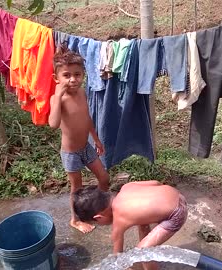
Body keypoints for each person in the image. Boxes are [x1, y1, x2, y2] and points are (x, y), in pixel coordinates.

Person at [49, 45, 110, 234]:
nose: (73, 79)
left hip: (86, 147)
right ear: (56, 79)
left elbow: (86, 118)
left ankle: (100, 207)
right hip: (70, 153)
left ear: (83, 75)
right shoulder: (58, 99)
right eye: (66, 75)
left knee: (104, 178)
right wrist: (58, 96)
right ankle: (75, 219)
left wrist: (96, 139)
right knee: (77, 188)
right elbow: (53, 123)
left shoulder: (82, 94)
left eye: (77, 74)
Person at [73, 181, 188, 270]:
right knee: (142, 222)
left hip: (176, 214)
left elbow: (117, 256)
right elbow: (156, 183)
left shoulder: (119, 218)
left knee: (142, 251)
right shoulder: (126, 187)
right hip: (177, 195)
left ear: (98, 217)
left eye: (97, 223)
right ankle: (149, 245)